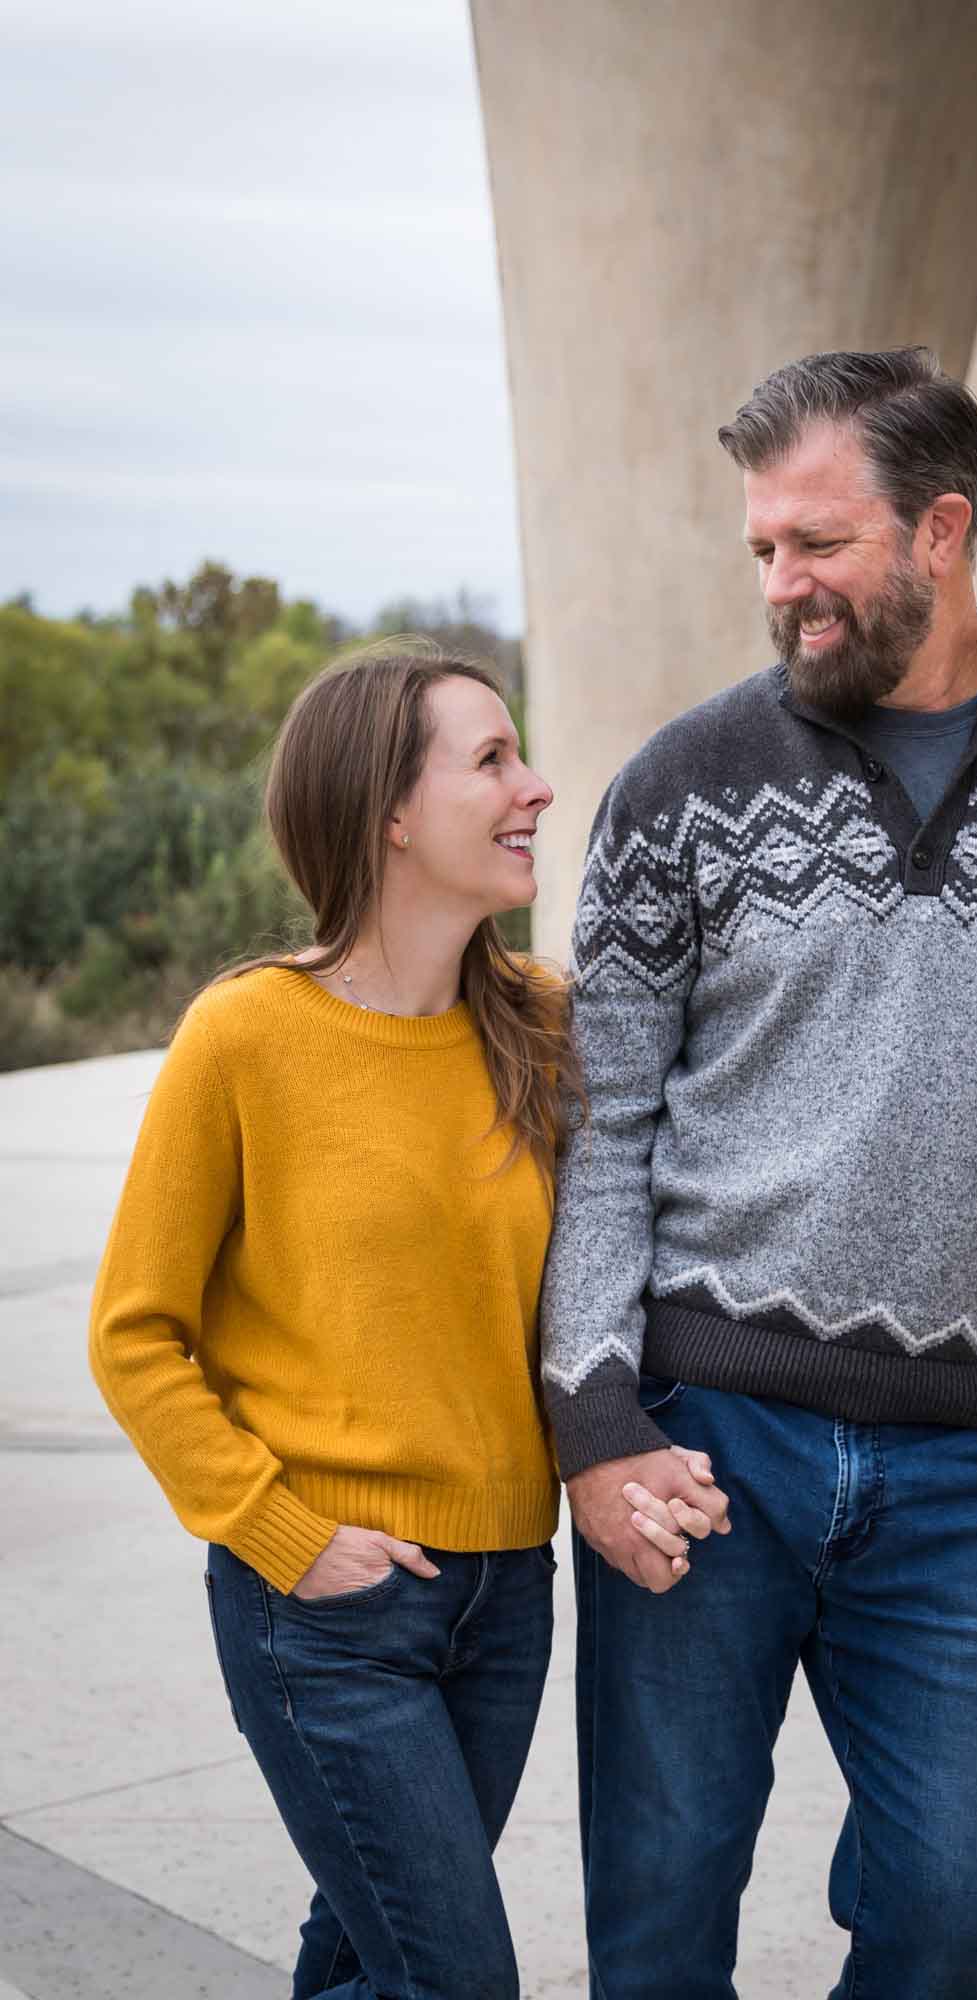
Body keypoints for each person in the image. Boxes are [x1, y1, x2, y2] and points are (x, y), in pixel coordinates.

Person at [541, 350, 977, 1999]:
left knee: (945, 1920)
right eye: (764, 550)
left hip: (962, 1472)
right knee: (658, 1915)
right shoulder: (678, 788)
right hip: (704, 1448)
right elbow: (602, 1129)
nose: (784, 586)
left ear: (941, 529)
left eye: (818, 544)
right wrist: (592, 1419)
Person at [88, 640, 723, 2000]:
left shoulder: (545, 1031)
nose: (536, 789)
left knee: (369, 1960)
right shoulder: (246, 1036)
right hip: (325, 1604)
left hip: (505, 1592)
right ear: (387, 807)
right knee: (453, 1978)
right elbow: (135, 1331)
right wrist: (284, 1537)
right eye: (490, 760)